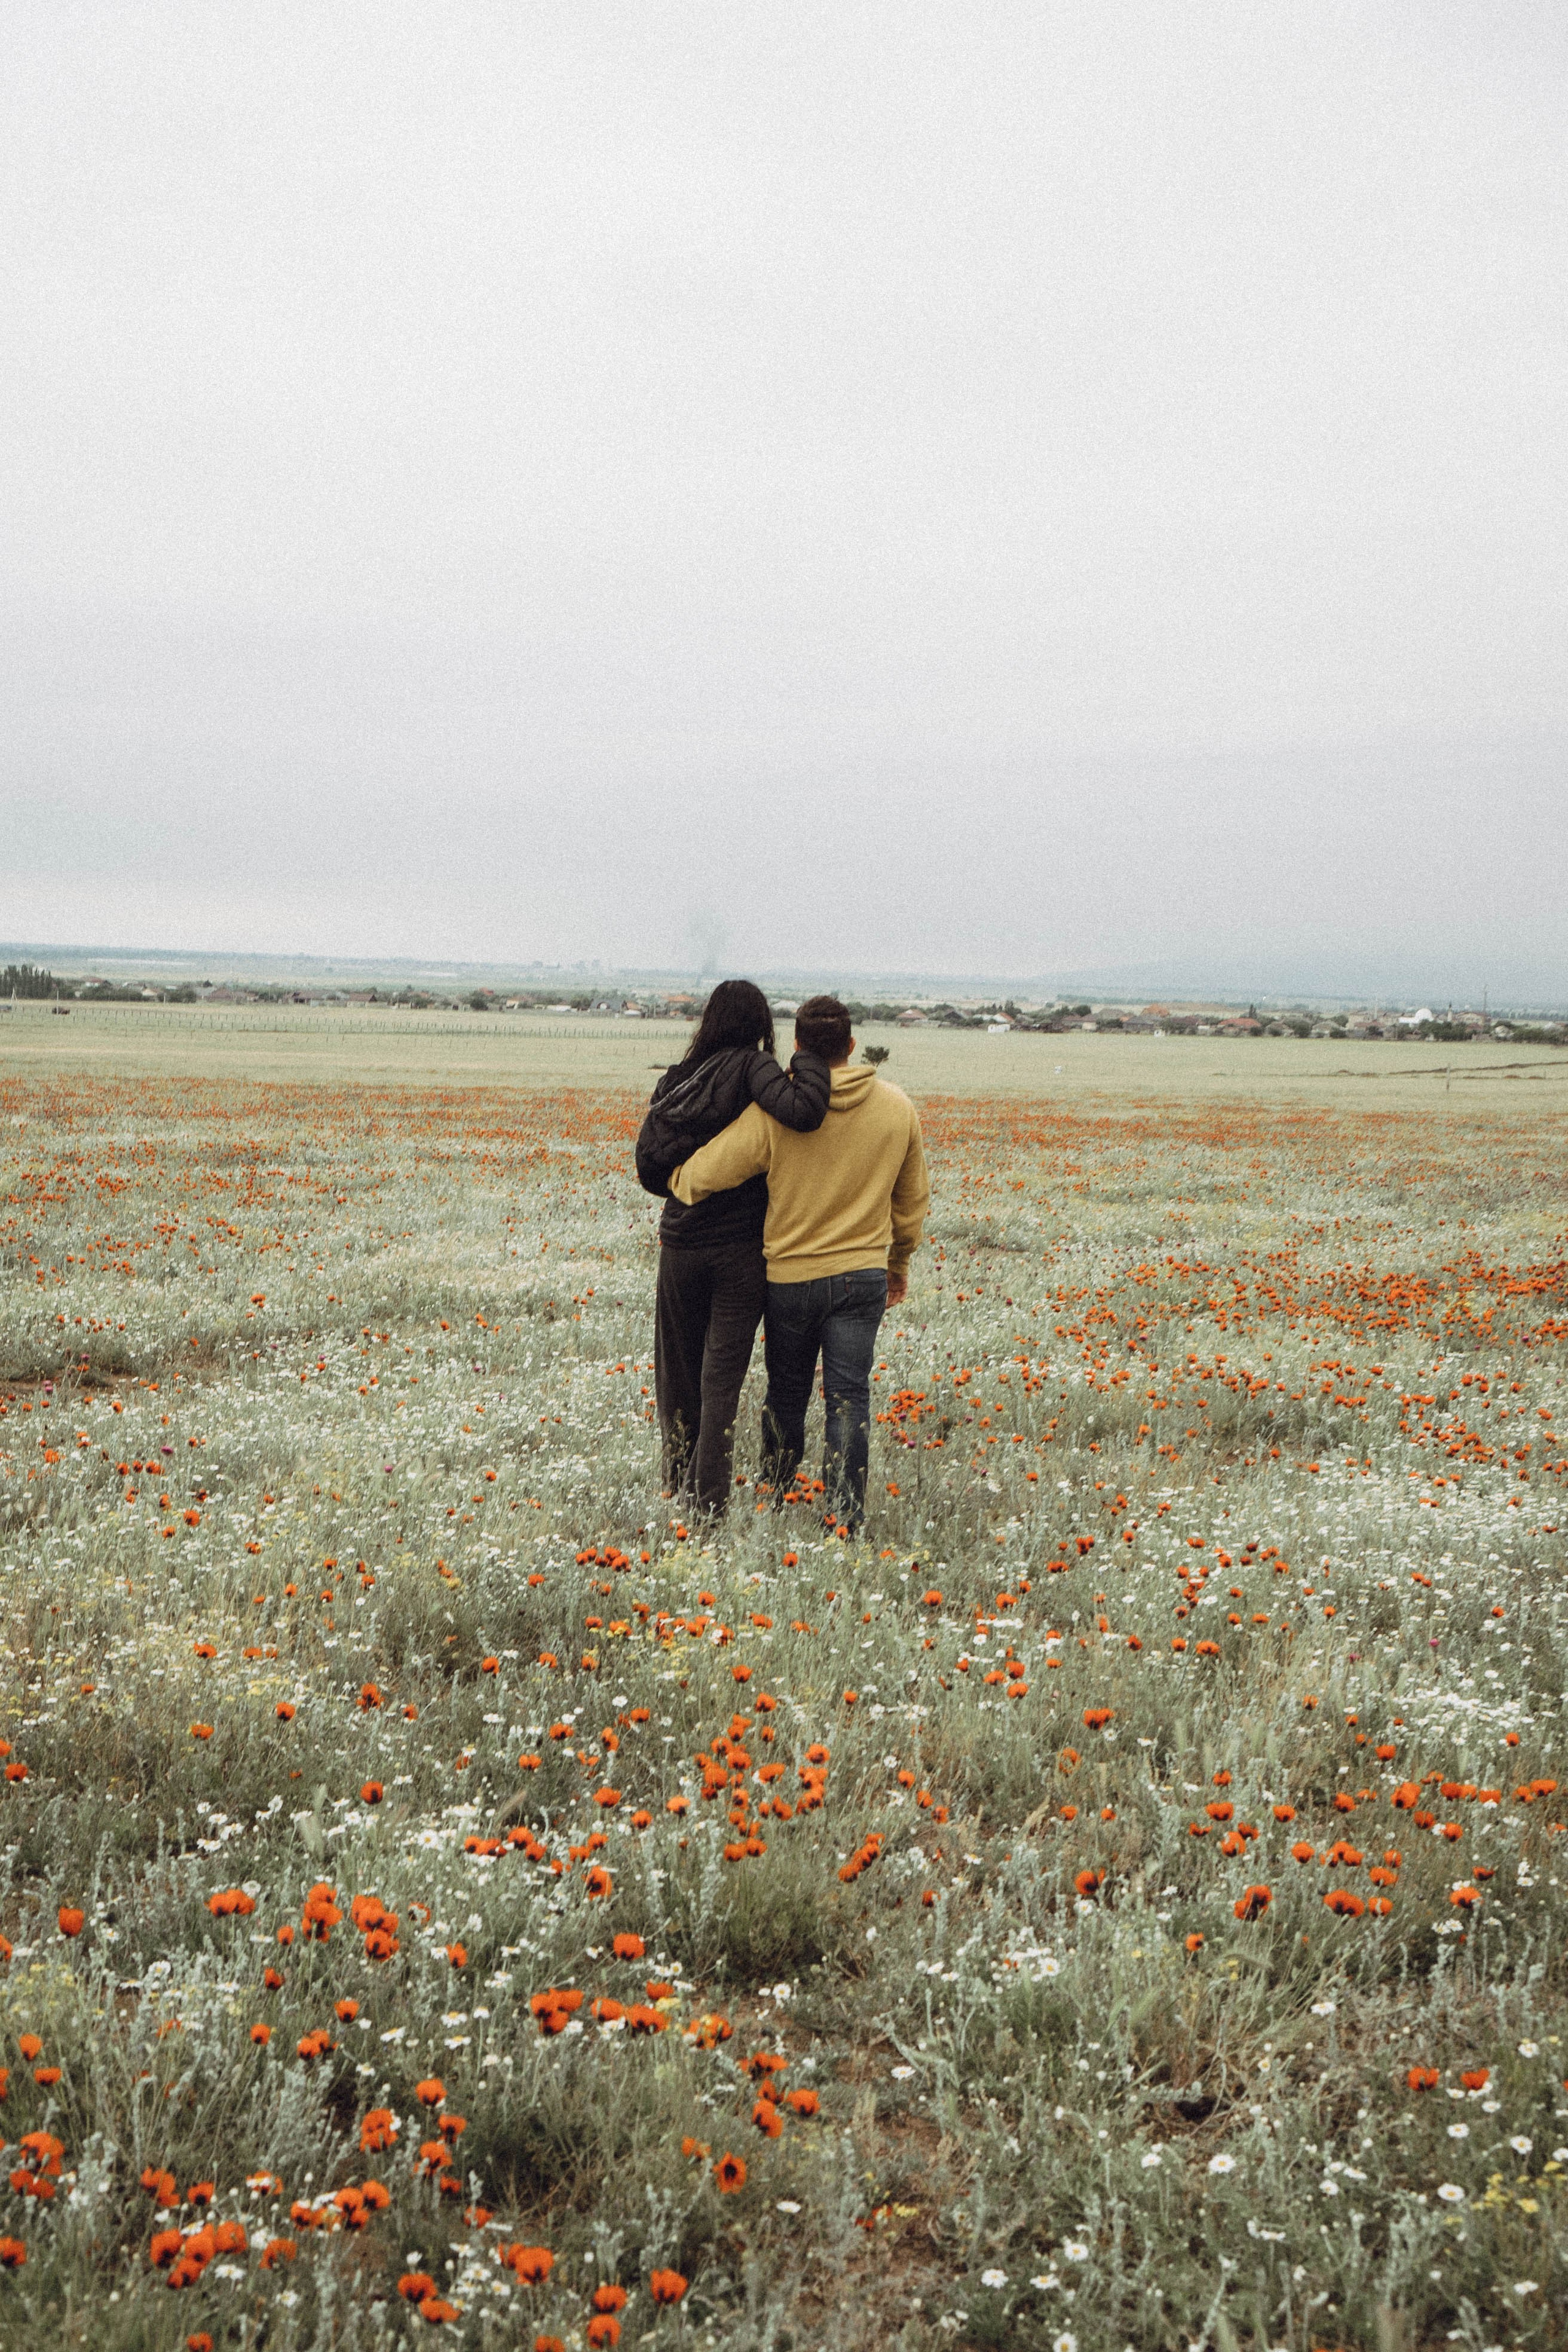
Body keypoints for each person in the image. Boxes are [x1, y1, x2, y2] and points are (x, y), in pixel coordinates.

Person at [667, 994, 929, 1532]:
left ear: (800, 1047)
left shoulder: (776, 1114)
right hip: (862, 1277)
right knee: (850, 1396)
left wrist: (673, 1180)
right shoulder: (898, 1107)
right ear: (852, 1046)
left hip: (790, 1279)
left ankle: (778, 1496)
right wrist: (898, 1263)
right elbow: (911, 1201)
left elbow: (709, 1172)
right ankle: (845, 1519)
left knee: (786, 1394)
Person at [636, 979, 831, 1515]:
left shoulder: (680, 1077)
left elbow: (648, 1166)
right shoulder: (752, 1067)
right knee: (720, 1380)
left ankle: (676, 1483)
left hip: (680, 1243)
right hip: (741, 1252)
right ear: (760, 1024)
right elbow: (805, 1110)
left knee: (676, 1374)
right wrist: (810, 1056)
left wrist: (687, 1177)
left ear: (710, 1020)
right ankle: (710, 1506)